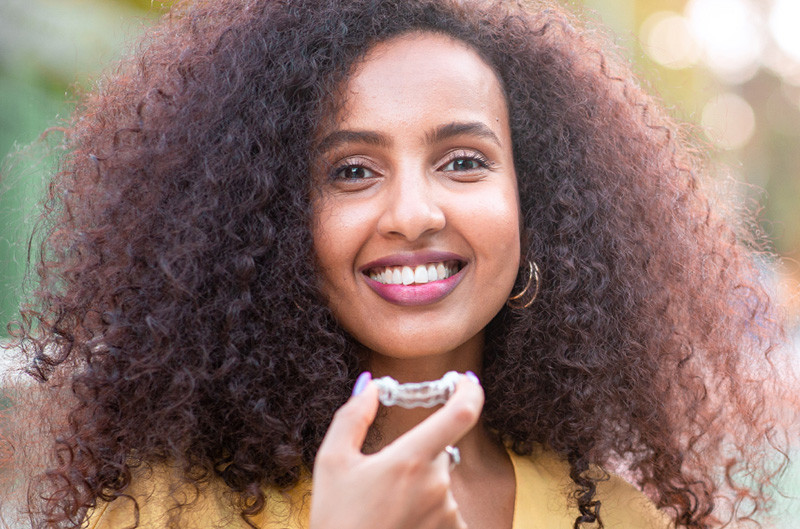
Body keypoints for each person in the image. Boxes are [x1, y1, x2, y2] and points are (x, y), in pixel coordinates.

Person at [1, 0, 791, 528]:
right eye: (351, 171)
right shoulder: (169, 508)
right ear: (273, 226)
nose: (414, 212)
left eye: (463, 160)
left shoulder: (619, 515)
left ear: (536, 204)